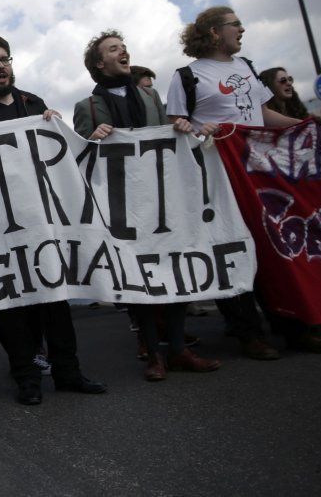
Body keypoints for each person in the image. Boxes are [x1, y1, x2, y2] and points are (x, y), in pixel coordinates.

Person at [0, 36, 107, 405]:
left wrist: (55, 126)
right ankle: (26, 377)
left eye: (5, 59)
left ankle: (68, 372)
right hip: (0, 227)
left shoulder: (34, 104)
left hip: (42, 220)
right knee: (11, 305)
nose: (1, 66)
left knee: (56, 299)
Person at [166, 6, 321, 358]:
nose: (242, 29)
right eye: (235, 24)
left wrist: (304, 126)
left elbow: (263, 114)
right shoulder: (187, 77)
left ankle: (294, 328)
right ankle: (248, 333)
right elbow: (176, 124)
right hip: (222, 176)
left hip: (262, 172)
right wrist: (197, 128)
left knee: (276, 244)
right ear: (214, 32)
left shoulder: (247, 67)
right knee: (235, 248)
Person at [73, 30, 221, 381]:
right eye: (113, 49)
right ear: (99, 63)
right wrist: (91, 139)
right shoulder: (87, 107)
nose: (123, 51)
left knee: (175, 269)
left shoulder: (150, 95)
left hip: (162, 200)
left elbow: (170, 136)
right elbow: (79, 160)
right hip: (122, 207)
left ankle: (178, 349)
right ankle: (154, 353)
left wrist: (181, 125)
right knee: (137, 279)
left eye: (123, 47)